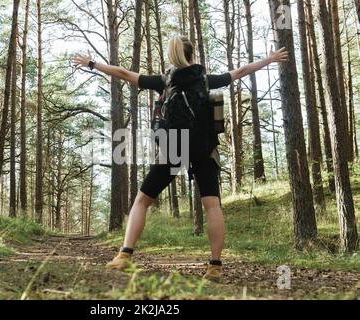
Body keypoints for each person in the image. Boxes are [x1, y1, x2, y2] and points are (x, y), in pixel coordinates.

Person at [72, 36, 288, 281]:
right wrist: (269, 59)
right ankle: (215, 266)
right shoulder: (206, 80)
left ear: (172, 55)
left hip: (175, 147)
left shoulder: (165, 81)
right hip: (205, 148)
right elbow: (241, 71)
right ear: (192, 54)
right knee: (212, 205)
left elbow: (123, 73)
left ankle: (124, 255)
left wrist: (92, 64)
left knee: (142, 200)